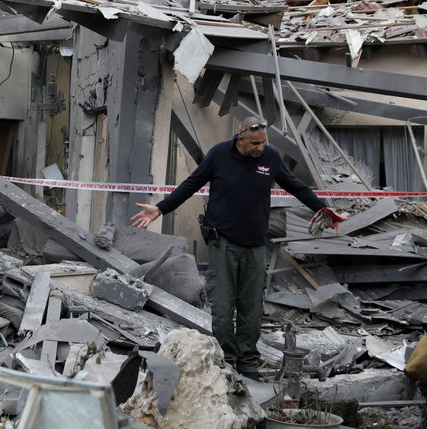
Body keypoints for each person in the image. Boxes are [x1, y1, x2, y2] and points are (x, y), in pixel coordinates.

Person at [131, 116, 341, 380]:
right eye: (255, 143)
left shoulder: (270, 158)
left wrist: (323, 209)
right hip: (223, 245)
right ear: (240, 139)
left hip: (254, 247)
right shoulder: (219, 155)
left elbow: (297, 187)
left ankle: (248, 364)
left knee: (251, 311)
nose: (260, 148)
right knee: (221, 309)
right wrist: (161, 208)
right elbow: (190, 184)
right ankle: (226, 362)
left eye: (264, 142)